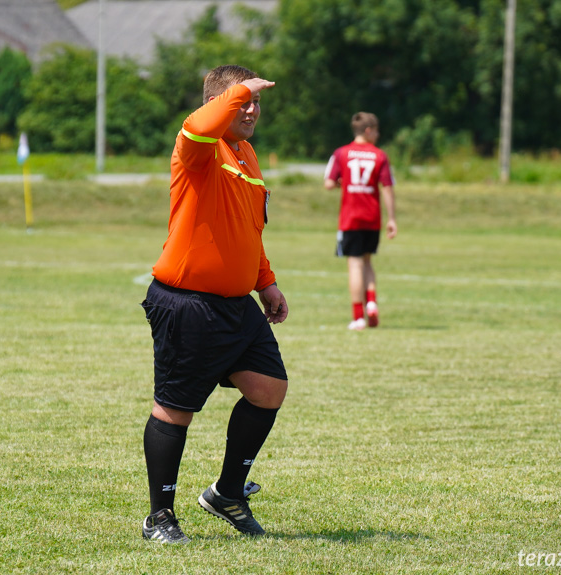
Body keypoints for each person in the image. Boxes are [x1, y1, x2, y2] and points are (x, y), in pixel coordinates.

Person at [139, 65, 288, 544]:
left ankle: (226, 493)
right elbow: (199, 125)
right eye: (240, 100)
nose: (251, 108)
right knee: (175, 409)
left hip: (236, 304)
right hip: (187, 303)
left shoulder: (246, 154)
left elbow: (249, 229)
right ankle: (159, 517)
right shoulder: (199, 149)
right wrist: (242, 88)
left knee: (269, 388)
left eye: (255, 102)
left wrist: (266, 282)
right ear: (216, 103)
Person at [324, 112, 397, 330]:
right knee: (367, 261)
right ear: (368, 131)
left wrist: (341, 184)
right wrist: (392, 218)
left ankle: (358, 317)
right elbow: (387, 187)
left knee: (354, 264)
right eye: (376, 131)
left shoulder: (341, 153)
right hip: (372, 218)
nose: (378, 135)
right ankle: (371, 303)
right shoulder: (380, 155)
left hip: (351, 218)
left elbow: (328, 182)